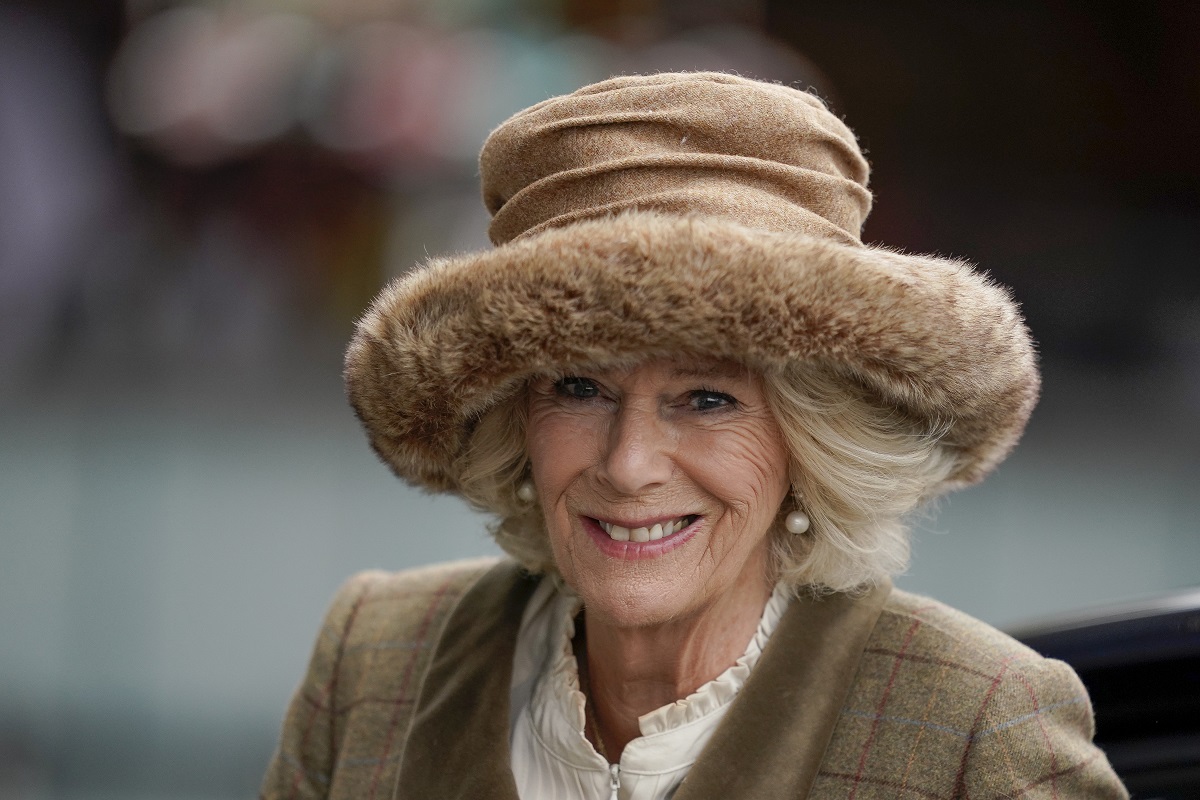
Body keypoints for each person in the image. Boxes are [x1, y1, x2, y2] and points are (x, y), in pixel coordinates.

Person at [260, 72, 1127, 799]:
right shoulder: (373, 660)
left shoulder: (977, 723)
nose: (630, 465)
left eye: (707, 399)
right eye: (579, 387)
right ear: (515, 421)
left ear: (810, 441)